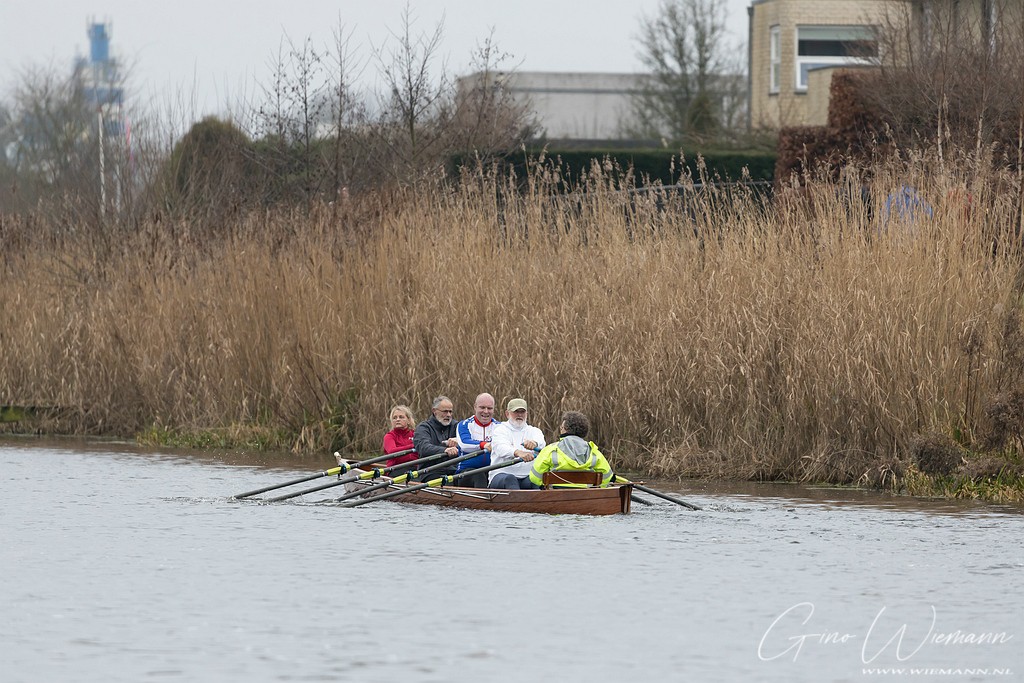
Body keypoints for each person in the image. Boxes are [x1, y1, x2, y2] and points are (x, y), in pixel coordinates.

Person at [529, 411, 613, 488]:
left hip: (556, 499)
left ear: (564, 430)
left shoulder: (550, 450)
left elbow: (534, 477)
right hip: (586, 500)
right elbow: (607, 477)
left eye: (561, 427)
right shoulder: (594, 452)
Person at [488, 398, 546, 489]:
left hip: (526, 476)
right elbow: (501, 448)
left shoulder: (535, 431)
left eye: (522, 412)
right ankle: (518, 503)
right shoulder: (499, 430)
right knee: (510, 479)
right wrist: (518, 452)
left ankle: (538, 503)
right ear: (507, 414)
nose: (519, 415)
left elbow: (541, 443)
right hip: (501, 475)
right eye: (516, 412)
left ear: (526, 414)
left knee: (535, 480)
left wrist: (535, 443)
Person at [454, 393, 501, 488]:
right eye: (482, 407)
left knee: (506, 477)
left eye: (489, 408)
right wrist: (484, 445)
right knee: (479, 476)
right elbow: (464, 444)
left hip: (493, 470)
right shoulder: (464, 425)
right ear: (475, 407)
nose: (486, 411)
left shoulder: (500, 427)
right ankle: (483, 502)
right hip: (466, 473)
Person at [412, 395, 460, 480]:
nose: (448, 415)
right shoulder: (424, 427)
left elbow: (469, 441)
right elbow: (424, 447)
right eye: (445, 411)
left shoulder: (457, 426)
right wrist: (444, 450)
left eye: (450, 412)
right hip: (431, 471)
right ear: (434, 411)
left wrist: (459, 441)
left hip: (454, 470)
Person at [382, 404, 418, 472]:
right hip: (396, 468)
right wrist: (412, 446)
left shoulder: (416, 434)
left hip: (415, 467)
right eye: (394, 418)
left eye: (401, 417)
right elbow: (392, 451)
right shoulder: (389, 436)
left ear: (408, 420)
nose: (397, 419)